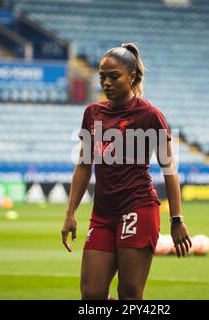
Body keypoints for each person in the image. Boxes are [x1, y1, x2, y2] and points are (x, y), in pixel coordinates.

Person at [61, 43, 191, 300]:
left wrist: (176, 220)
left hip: (138, 208)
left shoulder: (150, 116)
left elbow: (169, 171)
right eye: (102, 77)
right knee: (91, 295)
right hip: (103, 213)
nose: (106, 83)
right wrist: (70, 213)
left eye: (113, 76)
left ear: (131, 77)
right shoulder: (92, 114)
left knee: (130, 293)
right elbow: (84, 165)